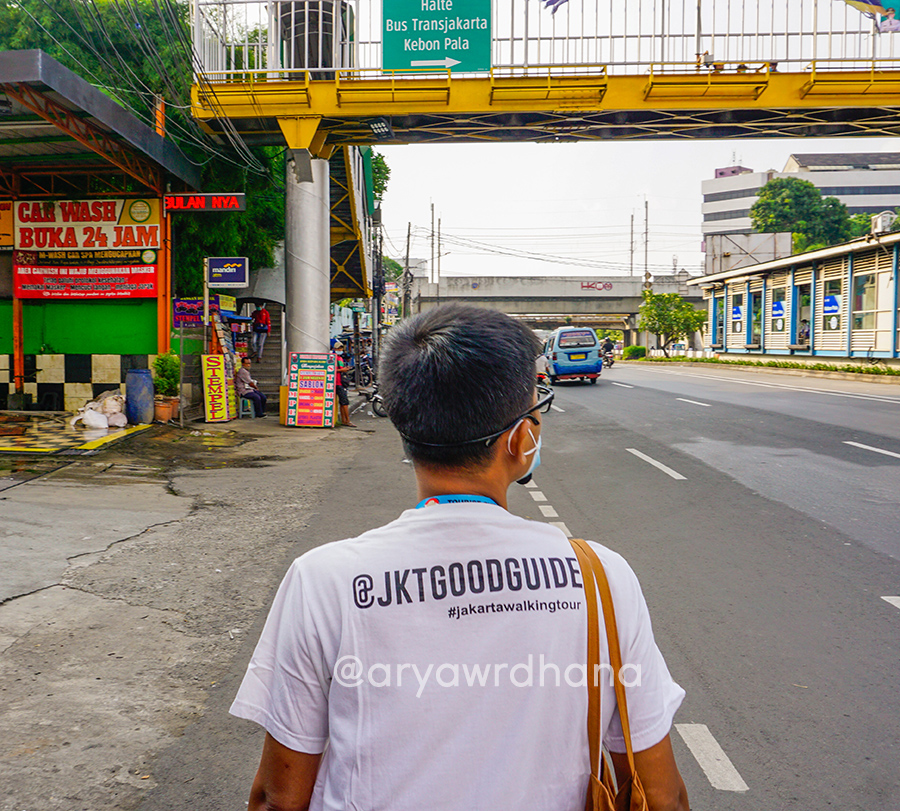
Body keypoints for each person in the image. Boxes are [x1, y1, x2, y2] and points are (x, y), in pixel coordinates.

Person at [230, 304, 689, 811]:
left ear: (406, 429)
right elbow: (660, 796)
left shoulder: (325, 580)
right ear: (523, 438)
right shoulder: (600, 577)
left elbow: (278, 798)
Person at [332, 341, 356, 428]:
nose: (340, 350)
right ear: (334, 349)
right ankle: (347, 421)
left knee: (343, 403)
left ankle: (344, 420)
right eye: (338, 349)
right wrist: (342, 370)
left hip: (341, 382)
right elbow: (331, 369)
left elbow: (340, 368)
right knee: (345, 402)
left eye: (341, 348)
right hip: (337, 383)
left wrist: (345, 369)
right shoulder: (333, 358)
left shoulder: (340, 358)